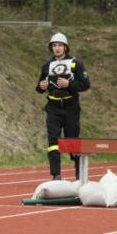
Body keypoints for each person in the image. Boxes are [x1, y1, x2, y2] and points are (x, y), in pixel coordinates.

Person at [35, 33, 90, 181]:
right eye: (54, 45)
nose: (57, 48)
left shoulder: (75, 63)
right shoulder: (47, 65)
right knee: (53, 142)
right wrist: (41, 86)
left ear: (65, 47)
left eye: (60, 45)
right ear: (51, 48)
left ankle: (79, 173)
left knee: (72, 141)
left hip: (71, 107)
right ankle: (56, 175)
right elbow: (39, 87)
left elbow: (85, 84)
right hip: (53, 107)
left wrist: (69, 84)